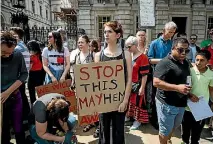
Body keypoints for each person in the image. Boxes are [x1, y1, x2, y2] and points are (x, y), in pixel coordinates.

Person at [94, 21, 132, 144]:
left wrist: (125, 101)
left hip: (120, 101)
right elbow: (95, 81)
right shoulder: (98, 56)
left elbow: (129, 79)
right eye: (105, 31)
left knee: (119, 132)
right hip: (103, 102)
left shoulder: (126, 55)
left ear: (118, 35)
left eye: (109, 31)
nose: (106, 34)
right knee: (103, 133)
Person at [153, 37, 191, 144]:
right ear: (173, 48)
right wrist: (177, 88)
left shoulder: (186, 62)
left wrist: (189, 93)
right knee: (165, 131)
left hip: (181, 103)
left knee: (175, 126)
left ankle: (168, 140)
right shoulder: (164, 63)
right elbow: (156, 82)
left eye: (186, 50)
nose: (183, 53)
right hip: (167, 103)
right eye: (180, 50)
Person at [1, 31, 28, 144]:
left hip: (14, 97)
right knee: (3, 128)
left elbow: (24, 74)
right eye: (3, 52)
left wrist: (7, 92)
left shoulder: (17, 55)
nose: (7, 55)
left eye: (10, 53)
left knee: (18, 127)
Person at [181, 50, 213, 144]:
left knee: (197, 131)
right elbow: (185, 87)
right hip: (187, 106)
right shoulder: (189, 71)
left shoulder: (211, 74)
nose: (198, 63)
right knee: (185, 129)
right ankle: (184, 141)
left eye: (202, 60)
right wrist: (189, 95)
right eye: (197, 60)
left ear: (208, 61)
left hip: (201, 107)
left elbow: (211, 90)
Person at [125, 36, 150, 130]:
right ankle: (129, 116)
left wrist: (142, 87)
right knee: (129, 101)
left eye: (129, 46)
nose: (128, 48)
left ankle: (138, 120)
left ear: (135, 46)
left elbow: (145, 74)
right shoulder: (129, 55)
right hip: (129, 83)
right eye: (126, 47)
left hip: (138, 84)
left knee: (138, 103)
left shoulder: (143, 57)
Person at [10, 27, 31, 121]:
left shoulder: (18, 48)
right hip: (22, 77)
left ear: (17, 36)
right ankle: (26, 118)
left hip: (19, 78)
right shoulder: (23, 46)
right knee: (23, 97)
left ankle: (24, 119)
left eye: (12, 35)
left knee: (20, 98)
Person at [27, 40, 45, 104]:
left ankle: (33, 106)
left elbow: (29, 67)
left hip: (33, 75)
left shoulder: (32, 57)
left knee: (31, 92)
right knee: (41, 92)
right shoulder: (41, 54)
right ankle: (42, 104)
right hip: (41, 75)